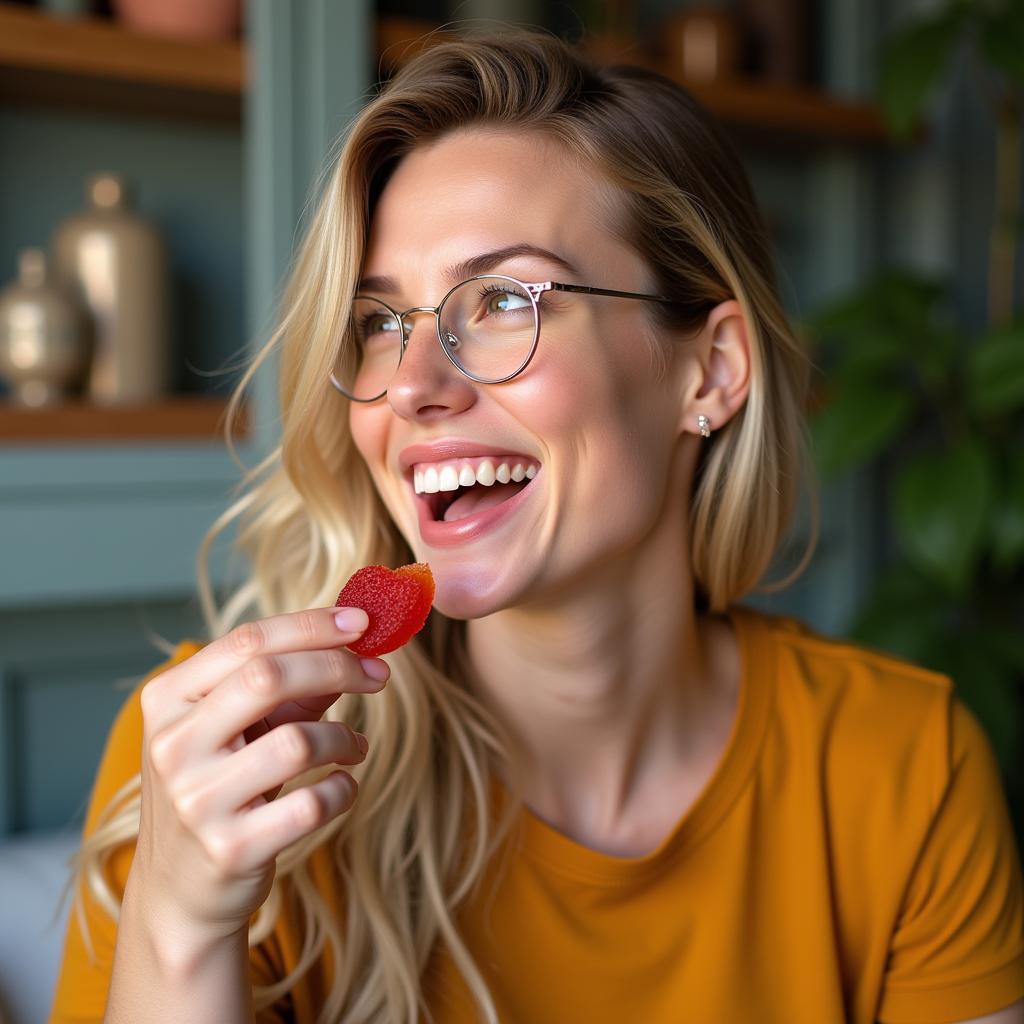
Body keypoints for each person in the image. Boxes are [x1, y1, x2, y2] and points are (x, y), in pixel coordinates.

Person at [50, 28, 1023, 1024]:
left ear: (711, 370)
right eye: (381, 323)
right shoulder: (221, 767)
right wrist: (182, 928)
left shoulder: (905, 766)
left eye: (504, 301)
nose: (413, 389)